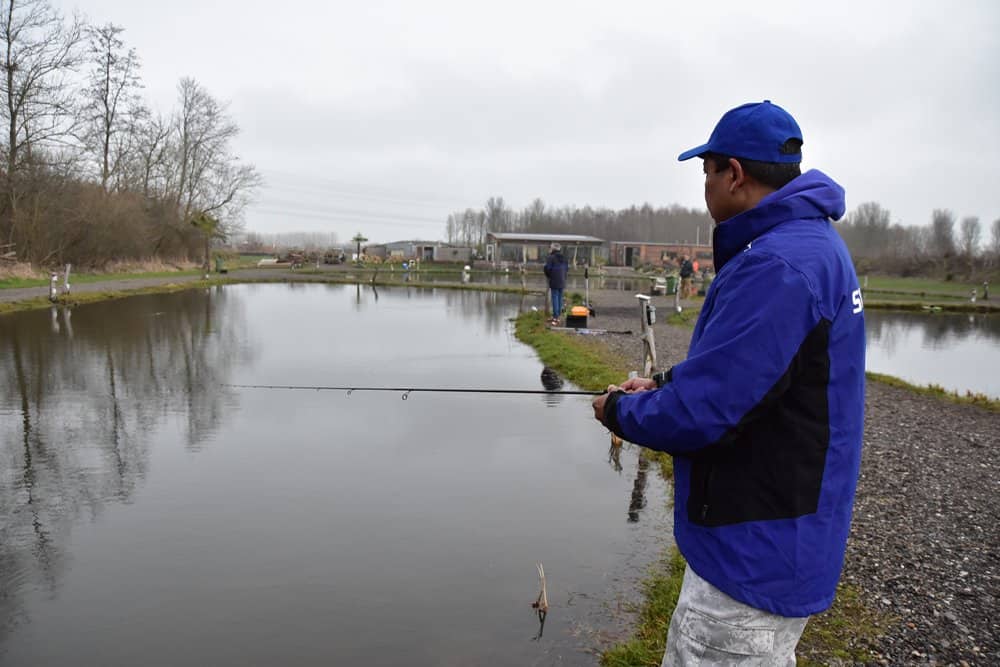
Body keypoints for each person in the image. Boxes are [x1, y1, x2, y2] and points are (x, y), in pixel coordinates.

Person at [592, 100, 865, 665]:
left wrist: (618, 411)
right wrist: (661, 383)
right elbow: (753, 374)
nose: (707, 185)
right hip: (780, 534)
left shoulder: (777, 265)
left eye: (708, 172)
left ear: (734, 174)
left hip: (753, 552)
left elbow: (705, 413)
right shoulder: (812, 247)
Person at [543, 242, 569, 325]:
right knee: (560, 297)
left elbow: (547, 269)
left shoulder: (551, 257)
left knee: (554, 297)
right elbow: (567, 269)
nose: (549, 249)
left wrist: (548, 274)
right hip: (562, 280)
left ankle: (555, 317)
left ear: (553, 249)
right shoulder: (564, 257)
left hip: (554, 280)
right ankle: (558, 316)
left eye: (550, 248)